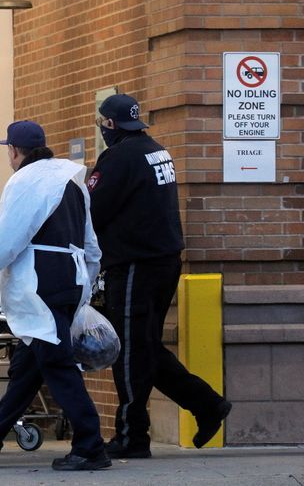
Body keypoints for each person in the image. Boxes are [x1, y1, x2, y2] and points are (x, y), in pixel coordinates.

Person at [0, 120, 110, 471]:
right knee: (29, 366)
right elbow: (90, 243)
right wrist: (87, 284)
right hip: (70, 278)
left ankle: (90, 446)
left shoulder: (24, 182)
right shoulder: (72, 182)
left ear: (14, 150)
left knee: (56, 363)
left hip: (41, 284)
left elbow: (4, 241)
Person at [87, 93, 231, 459]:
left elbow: (93, 210)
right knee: (146, 346)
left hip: (136, 264)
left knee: (130, 351)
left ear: (109, 124)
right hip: (163, 261)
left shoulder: (119, 158)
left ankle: (132, 436)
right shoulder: (156, 149)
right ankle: (207, 404)